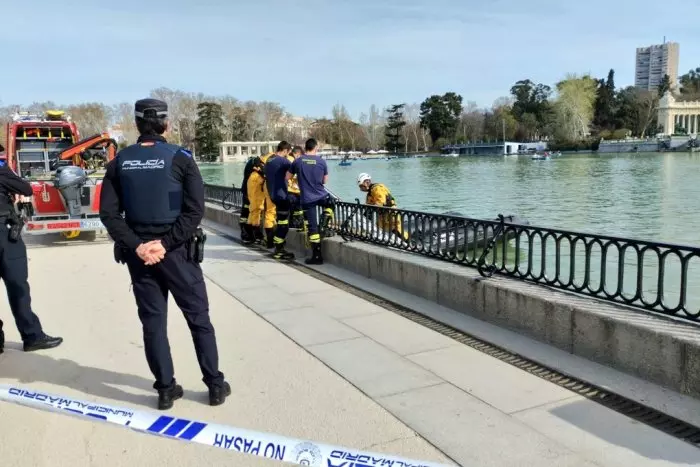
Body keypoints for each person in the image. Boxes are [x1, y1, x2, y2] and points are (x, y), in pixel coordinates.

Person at [99, 98, 230, 411]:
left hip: (140, 256)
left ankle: (166, 389)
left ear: (137, 125)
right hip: (177, 253)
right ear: (165, 124)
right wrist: (167, 243)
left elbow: (109, 213)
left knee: (153, 323)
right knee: (199, 319)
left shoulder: (120, 162)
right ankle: (214, 385)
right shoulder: (181, 158)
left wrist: (138, 245)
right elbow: (195, 210)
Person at [0, 160, 63, 355]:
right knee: (18, 284)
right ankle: (32, 336)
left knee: (18, 284)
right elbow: (25, 188)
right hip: (3, 232)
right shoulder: (1, 170)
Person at [287, 138, 334, 264]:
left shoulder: (298, 161)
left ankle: (317, 256)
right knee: (331, 203)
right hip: (321, 195)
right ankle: (325, 218)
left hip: (307, 199)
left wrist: (299, 178)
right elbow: (324, 181)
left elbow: (288, 177)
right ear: (316, 147)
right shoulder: (322, 162)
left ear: (305, 148)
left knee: (313, 229)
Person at [264, 141, 295, 260]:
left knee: (280, 221)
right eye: (288, 152)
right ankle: (279, 249)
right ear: (286, 151)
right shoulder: (284, 161)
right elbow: (293, 172)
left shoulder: (269, 161)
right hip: (282, 195)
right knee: (283, 224)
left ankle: (278, 246)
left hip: (272, 195)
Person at [357, 173, 408, 240]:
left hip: (390, 214)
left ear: (367, 182)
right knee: (380, 230)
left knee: (397, 231)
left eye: (361, 186)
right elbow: (369, 205)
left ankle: (408, 243)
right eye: (360, 186)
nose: (361, 188)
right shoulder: (370, 193)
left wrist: (371, 207)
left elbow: (381, 202)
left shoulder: (377, 188)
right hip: (382, 215)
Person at [246, 152, 277, 247]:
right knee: (255, 212)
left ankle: (253, 236)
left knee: (254, 212)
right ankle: (257, 237)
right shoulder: (258, 175)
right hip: (256, 190)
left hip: (255, 189)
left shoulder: (253, 173)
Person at [239, 155, 257, 244]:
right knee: (247, 213)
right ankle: (246, 233)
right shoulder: (254, 164)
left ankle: (246, 233)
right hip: (249, 192)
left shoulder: (251, 163)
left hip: (247, 191)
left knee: (245, 213)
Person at [289, 146, 305, 230]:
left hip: (289, 191)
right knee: (298, 210)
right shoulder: (294, 161)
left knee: (292, 211)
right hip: (294, 191)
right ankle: (297, 223)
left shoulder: (289, 159)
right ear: (297, 154)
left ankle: (293, 223)